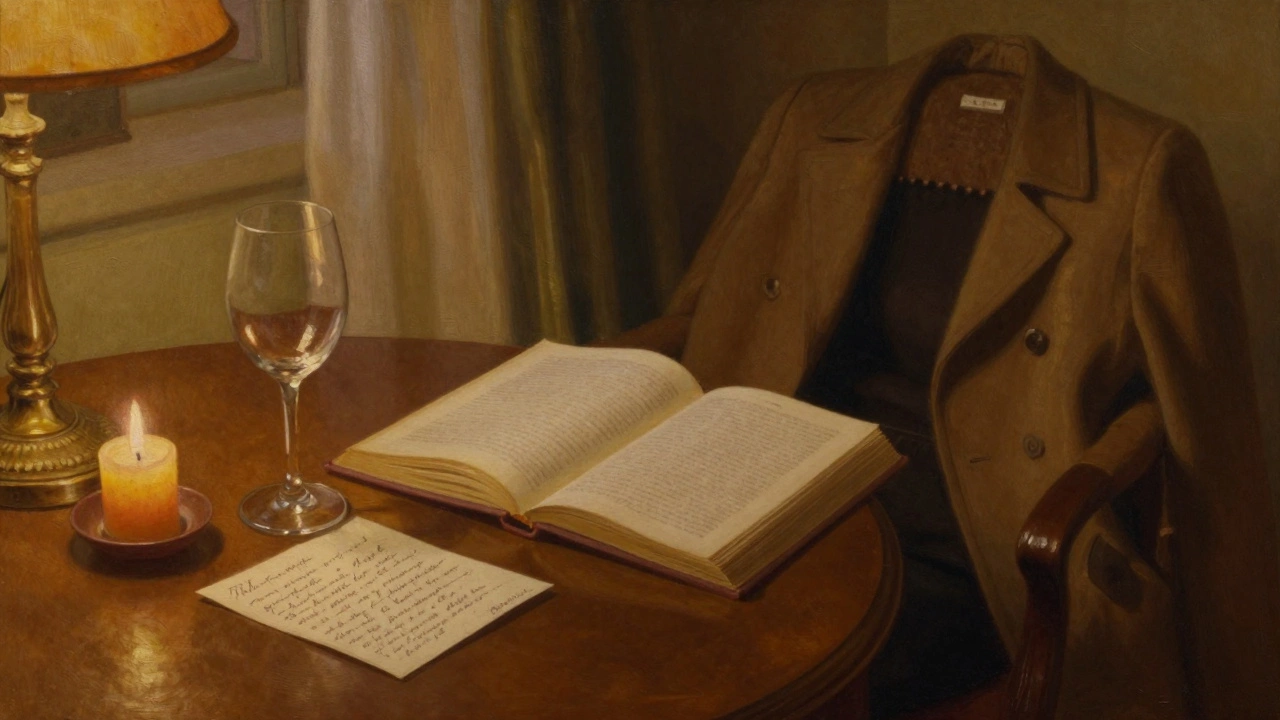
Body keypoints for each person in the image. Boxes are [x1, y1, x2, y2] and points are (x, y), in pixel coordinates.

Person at [610, 35, 1280, 719]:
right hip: (776, 489)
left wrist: (1240, 689)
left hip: (975, 533)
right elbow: (705, 313)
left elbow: (1212, 450)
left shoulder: (1141, 167)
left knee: (765, 670)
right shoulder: (811, 119)